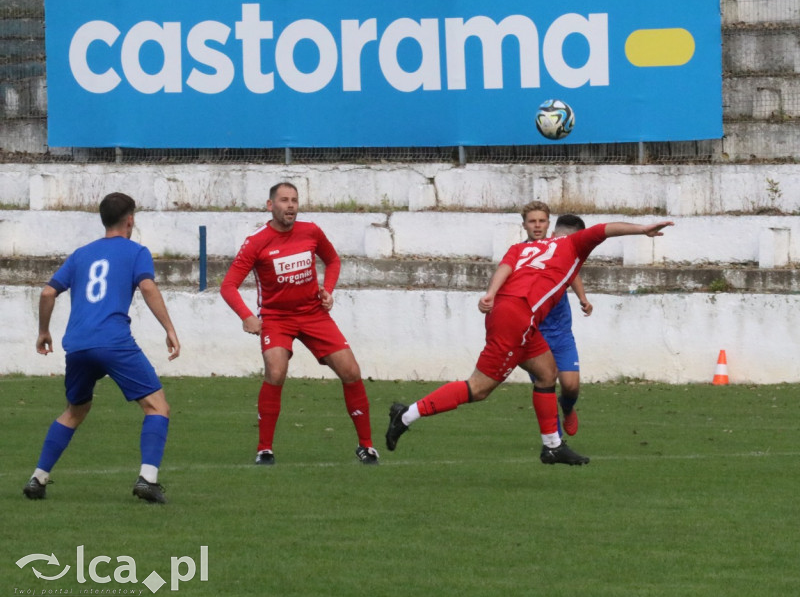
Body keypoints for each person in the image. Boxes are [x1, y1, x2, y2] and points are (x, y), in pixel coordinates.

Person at [385, 214, 673, 465]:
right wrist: (643, 229)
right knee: (479, 388)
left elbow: (505, 268)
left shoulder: (526, 247)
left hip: (510, 311)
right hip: (518, 317)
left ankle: (552, 447)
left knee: (547, 372)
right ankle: (406, 415)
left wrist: (490, 293)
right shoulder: (573, 243)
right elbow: (605, 229)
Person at [24, 192, 180, 504]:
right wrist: (169, 329)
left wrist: (43, 331)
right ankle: (147, 479)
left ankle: (38, 477)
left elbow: (46, 293)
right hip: (114, 342)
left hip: (78, 345)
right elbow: (147, 286)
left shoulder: (81, 254)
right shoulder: (136, 252)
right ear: (130, 220)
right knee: (157, 406)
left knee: (75, 410)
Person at [220, 182, 379, 466]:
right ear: (271, 206)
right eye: (284, 200)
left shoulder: (311, 231)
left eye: (294, 200)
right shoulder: (256, 241)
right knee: (276, 371)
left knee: (351, 371)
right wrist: (246, 315)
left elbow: (332, 260)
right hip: (277, 318)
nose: (290, 205)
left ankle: (366, 446)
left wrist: (328, 289)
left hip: (314, 314)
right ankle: (264, 449)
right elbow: (228, 286)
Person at [521, 201, 592, 436]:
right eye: (533, 221)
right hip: (533, 333)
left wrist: (583, 298)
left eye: (541, 221)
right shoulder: (520, 254)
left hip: (561, 333)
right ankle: (555, 441)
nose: (537, 225)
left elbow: (571, 273)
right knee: (546, 385)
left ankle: (568, 407)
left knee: (570, 386)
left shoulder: (562, 253)